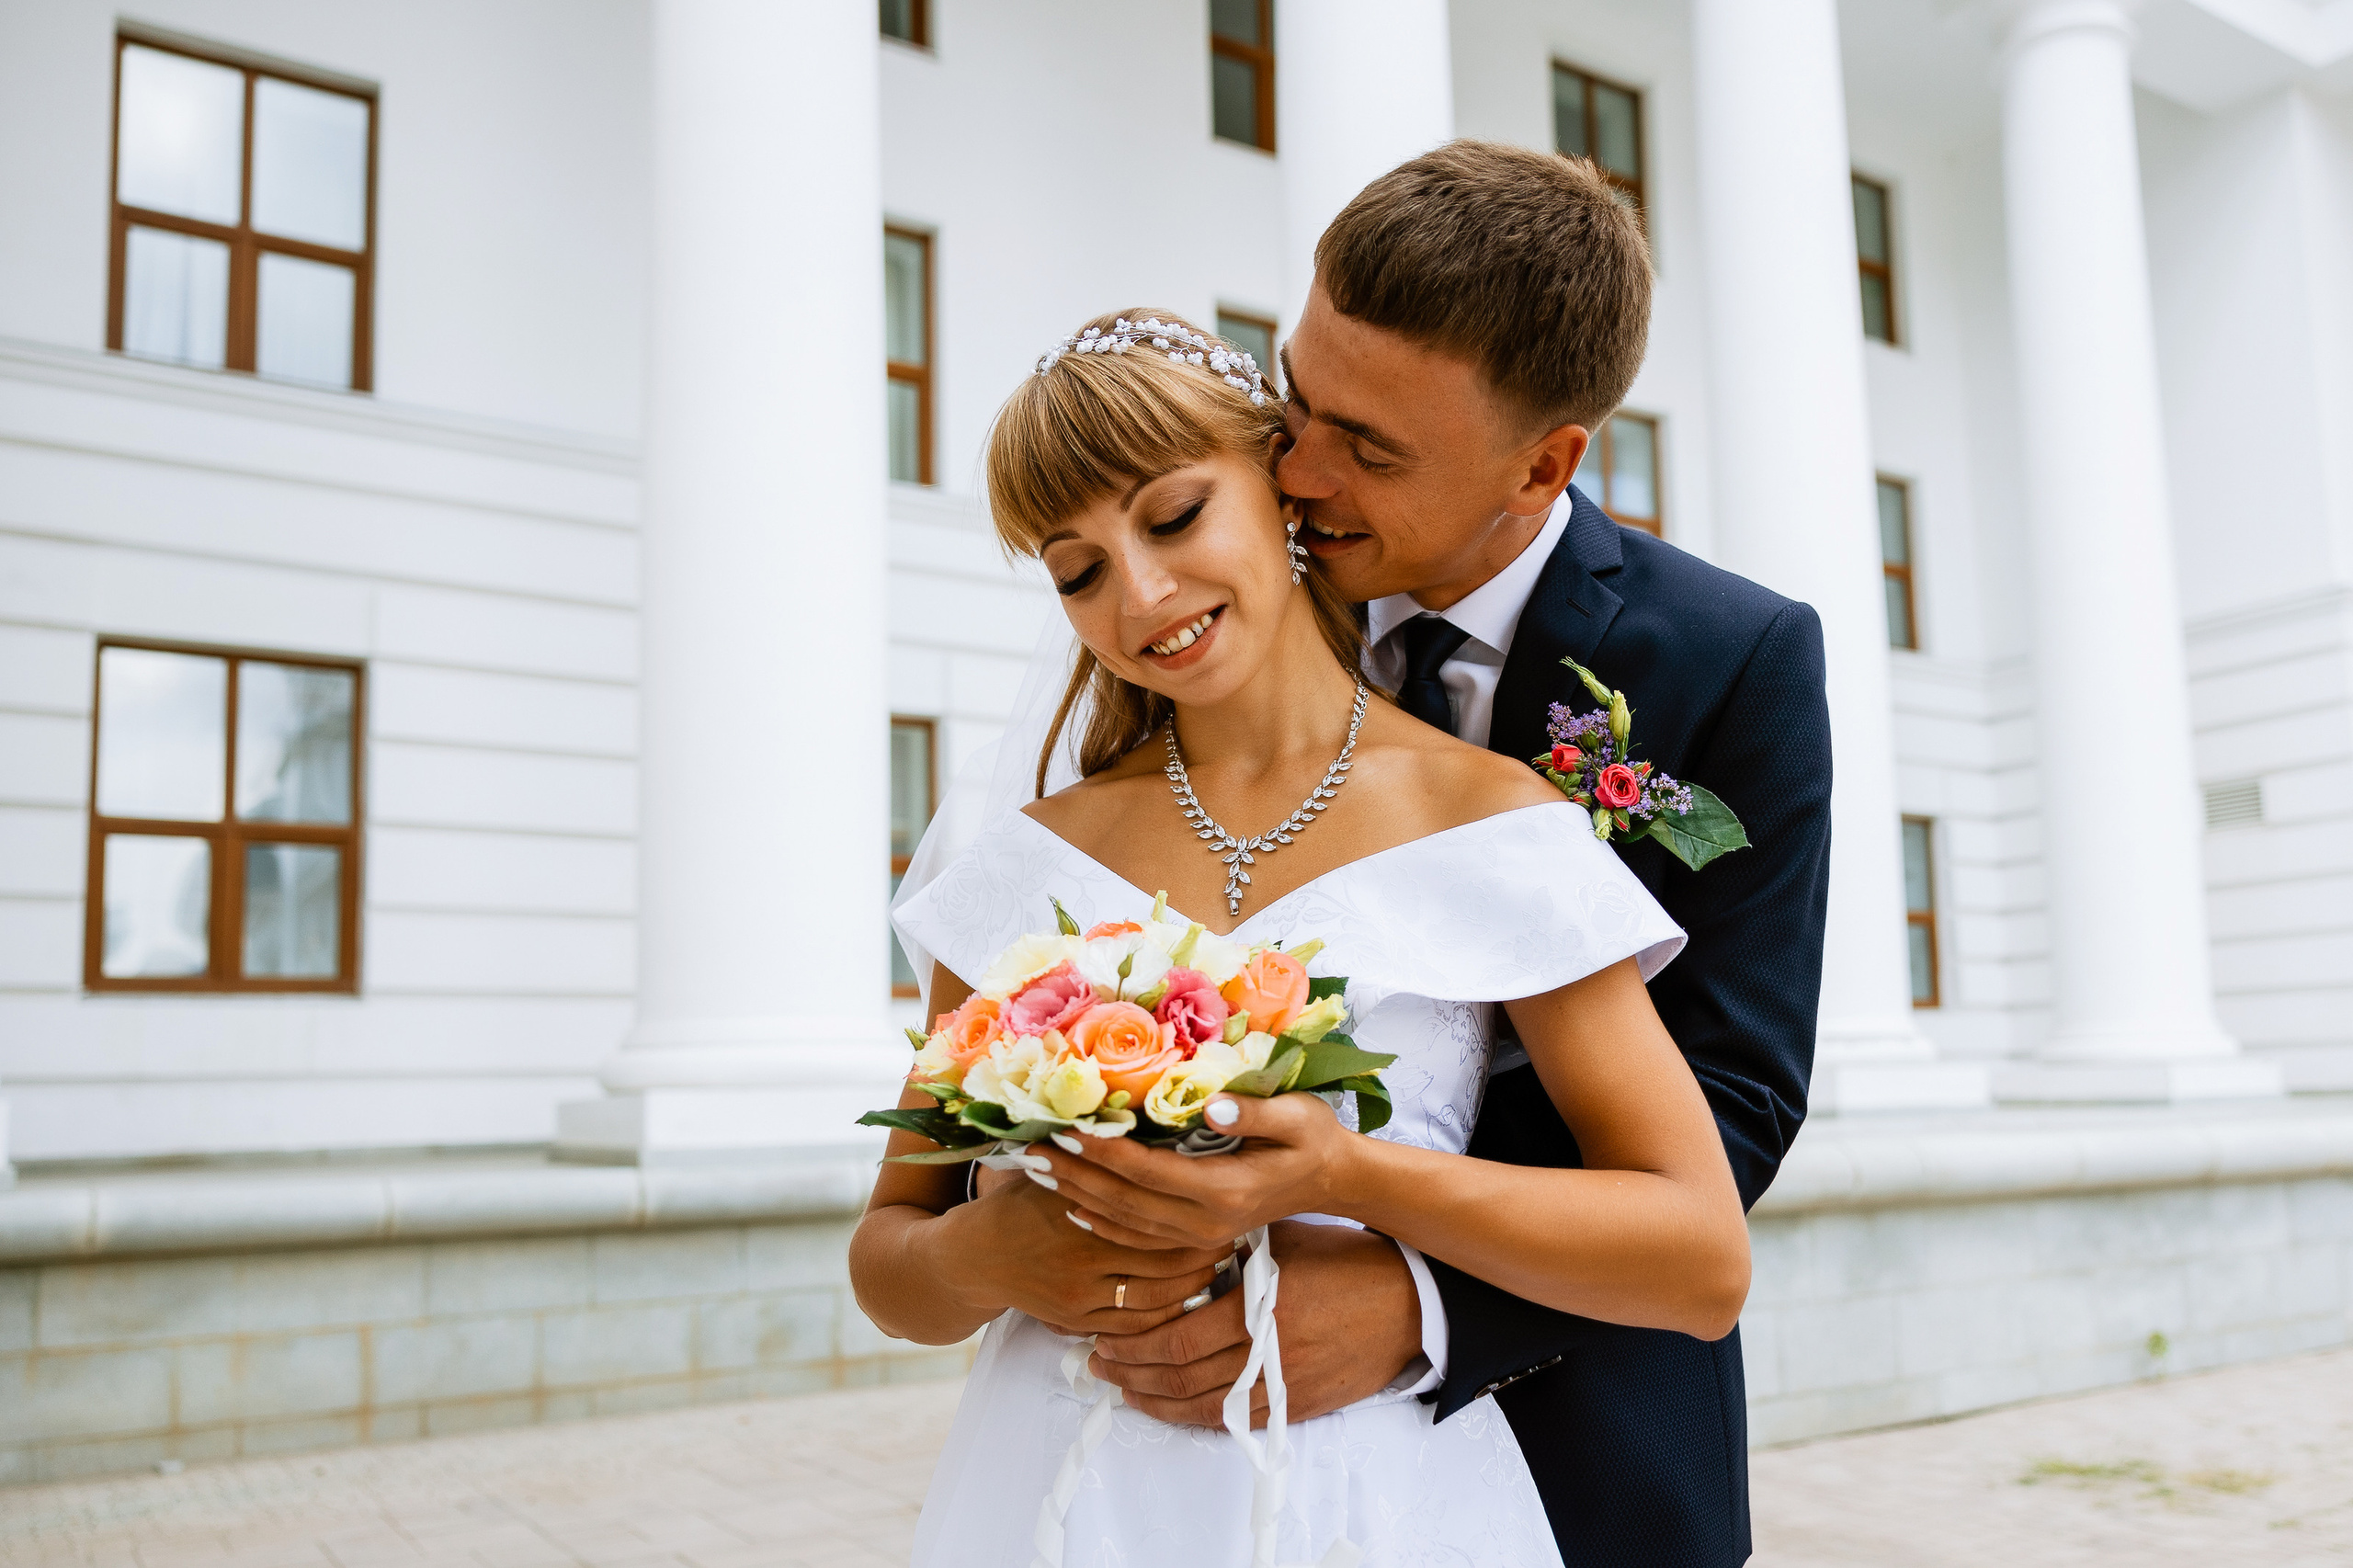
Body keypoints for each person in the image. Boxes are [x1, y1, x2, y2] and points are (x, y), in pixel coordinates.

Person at [890, 141, 1833, 1567]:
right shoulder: (1059, 830)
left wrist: (1401, 1283)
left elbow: (1723, 1127)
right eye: (1295, 398)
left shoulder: (1684, 691)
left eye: (1370, 446)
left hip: (1503, 1440)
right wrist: (996, 1247)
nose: (1304, 467)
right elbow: (911, 1225)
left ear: (1543, 464)